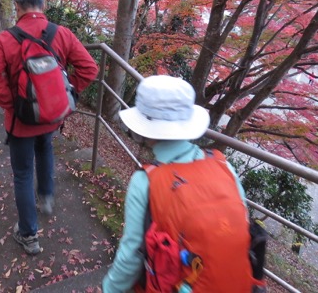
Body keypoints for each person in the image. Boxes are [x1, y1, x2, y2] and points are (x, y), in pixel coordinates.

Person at [102, 75, 255, 293]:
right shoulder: (223, 166)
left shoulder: (145, 181)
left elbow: (133, 252)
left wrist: (109, 288)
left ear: (144, 129)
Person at [0, 0, 98, 256]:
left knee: (22, 174)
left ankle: (29, 235)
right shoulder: (62, 34)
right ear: (43, 5)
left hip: (22, 122)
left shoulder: (6, 39)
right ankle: (46, 196)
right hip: (52, 115)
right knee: (45, 148)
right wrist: (69, 93)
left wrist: (15, 105)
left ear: (17, 7)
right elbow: (89, 68)